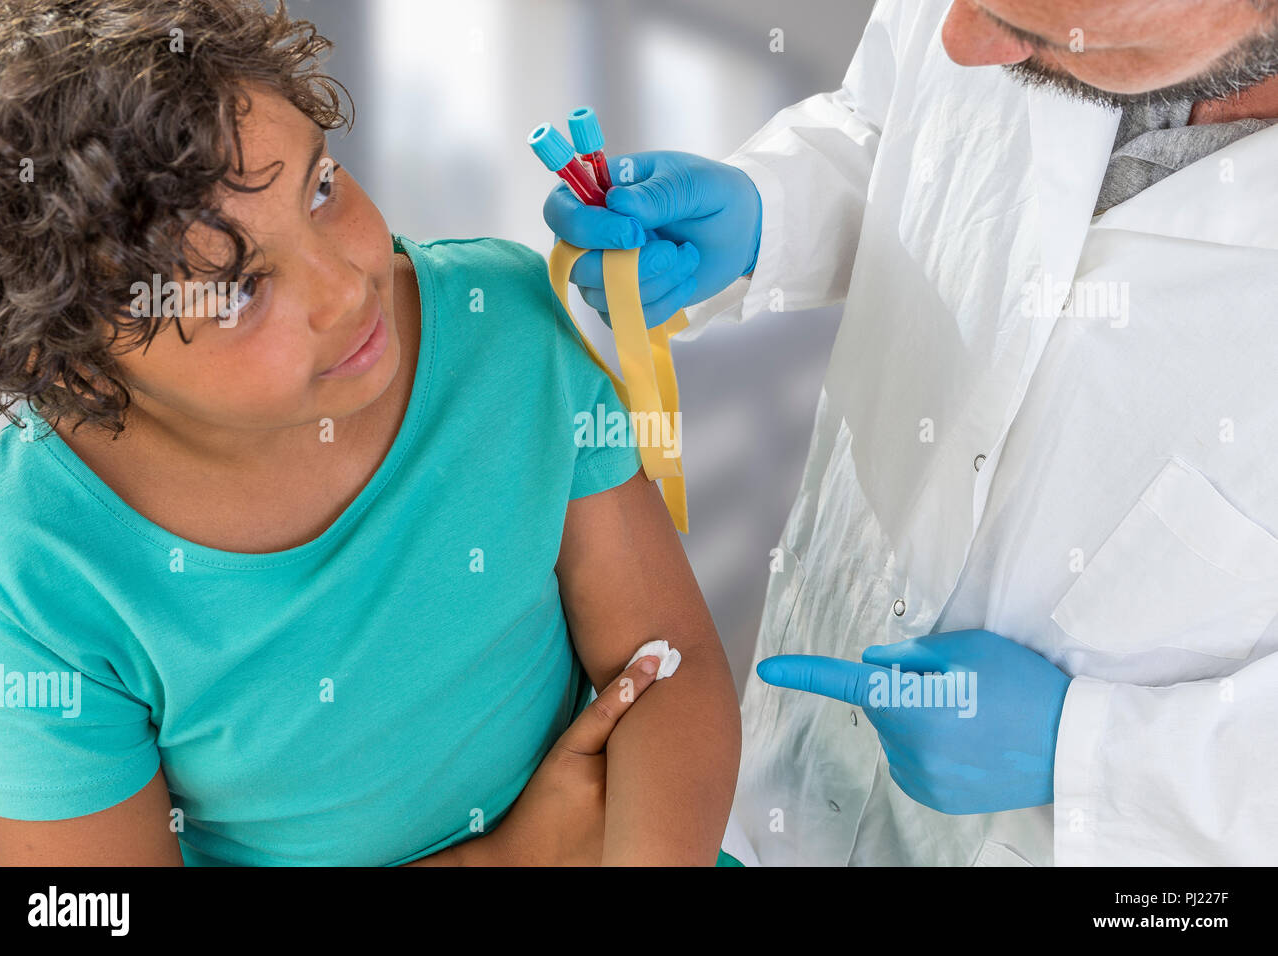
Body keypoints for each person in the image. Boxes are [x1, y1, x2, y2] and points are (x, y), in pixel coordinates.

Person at [0, 0, 741, 866]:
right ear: (76, 366)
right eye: (237, 289)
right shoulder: (21, 560)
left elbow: (670, 672)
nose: (346, 290)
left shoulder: (504, 325)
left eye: (320, 188)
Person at [545, 0, 1278, 865]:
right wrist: (765, 212)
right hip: (786, 776)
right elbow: (892, 125)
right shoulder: (973, 24)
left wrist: (1096, 756)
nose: (958, 37)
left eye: (1034, 30)